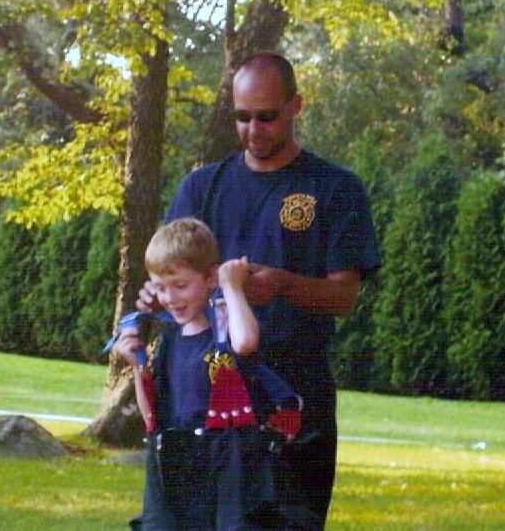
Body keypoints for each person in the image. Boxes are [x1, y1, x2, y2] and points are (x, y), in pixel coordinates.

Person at [135, 51, 381, 527]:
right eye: (242, 117)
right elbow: (171, 276)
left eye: (266, 117)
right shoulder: (201, 187)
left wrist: (283, 286)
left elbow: (345, 296)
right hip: (201, 406)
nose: (252, 130)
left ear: (296, 106)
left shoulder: (334, 188)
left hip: (291, 398)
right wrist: (156, 297)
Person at [116, 217, 314, 530]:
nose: (169, 298)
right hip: (177, 461)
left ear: (210, 278)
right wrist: (137, 365)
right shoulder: (165, 342)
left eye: (180, 286)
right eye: (161, 288)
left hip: (227, 464)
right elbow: (152, 414)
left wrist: (230, 285)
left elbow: (246, 342)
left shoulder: (225, 333)